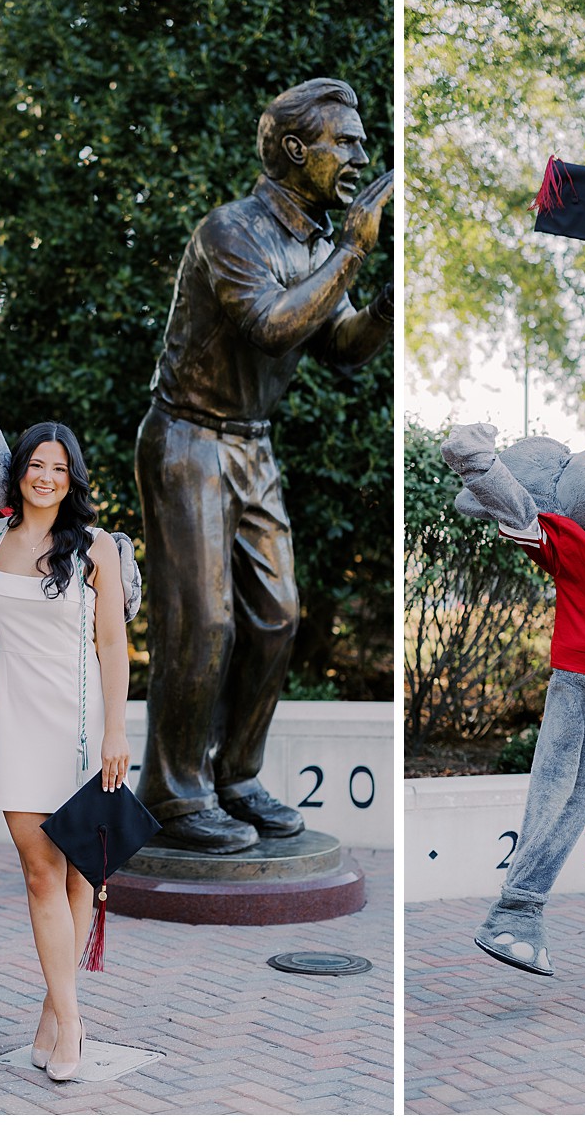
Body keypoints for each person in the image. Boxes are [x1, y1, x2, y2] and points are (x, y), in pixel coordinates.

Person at [134, 76, 393, 853]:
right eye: (343, 142)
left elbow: (341, 346)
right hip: (188, 439)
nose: (359, 154)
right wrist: (352, 248)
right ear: (292, 149)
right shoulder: (232, 231)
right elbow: (273, 326)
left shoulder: (314, 242)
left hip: (251, 443)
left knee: (275, 618)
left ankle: (235, 776)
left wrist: (390, 299)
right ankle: (175, 793)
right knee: (200, 623)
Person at [0, 423, 130, 1082]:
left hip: (77, 728)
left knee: (75, 877)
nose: (47, 477)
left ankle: (58, 1017)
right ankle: (69, 1019)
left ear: (73, 479)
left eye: (59, 468)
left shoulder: (96, 548)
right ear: (17, 473)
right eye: (36, 465)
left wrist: (116, 732)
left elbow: (114, 647)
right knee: (39, 872)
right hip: (11, 726)